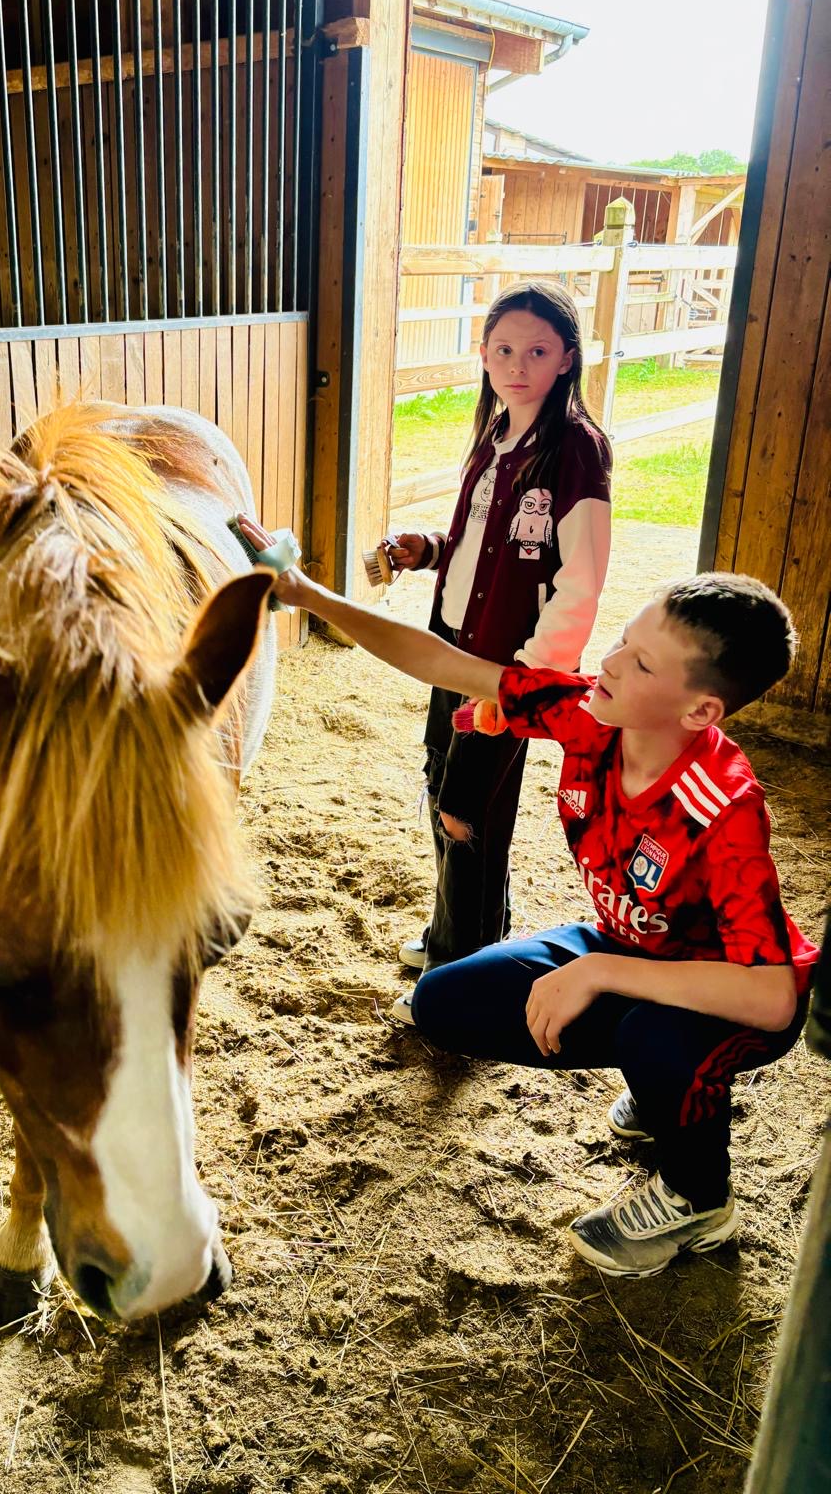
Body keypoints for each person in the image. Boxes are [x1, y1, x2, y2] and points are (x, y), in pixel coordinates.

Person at [235, 527, 817, 1278]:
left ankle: (697, 1194)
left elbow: (771, 996)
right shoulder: (587, 713)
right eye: (621, 640)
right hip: (629, 947)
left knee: (658, 1038)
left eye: (639, 663)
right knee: (445, 1002)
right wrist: (306, 595)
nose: (605, 662)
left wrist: (598, 975)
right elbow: (445, 664)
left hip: (725, 993)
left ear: (701, 712)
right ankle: (662, 1087)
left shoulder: (724, 806)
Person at [384, 281, 612, 978]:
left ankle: (459, 971)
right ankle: (463, 933)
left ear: (567, 359)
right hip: (450, 651)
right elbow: (478, 542)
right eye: (505, 349)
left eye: (538, 351)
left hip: (503, 671)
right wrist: (428, 548)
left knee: (468, 813)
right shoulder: (493, 434)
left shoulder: (576, 449)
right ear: (484, 355)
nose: (518, 364)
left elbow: (581, 579)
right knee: (441, 786)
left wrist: (525, 682)